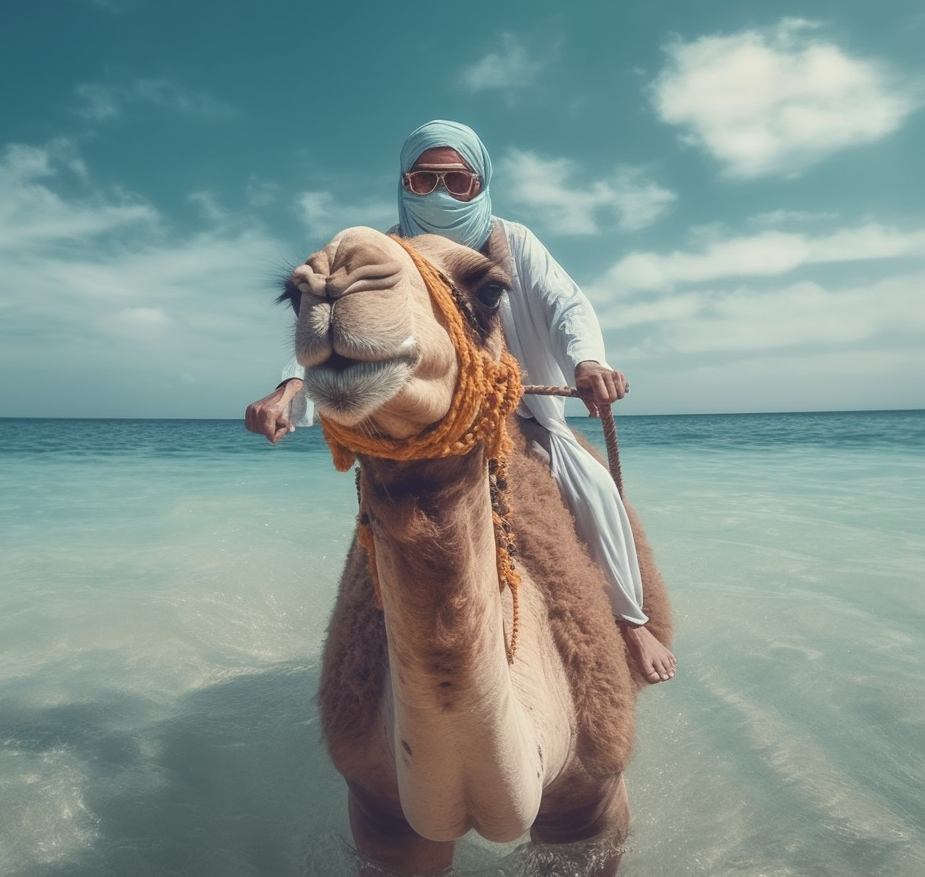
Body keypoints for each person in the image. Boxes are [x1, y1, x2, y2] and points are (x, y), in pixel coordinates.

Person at [245, 120, 677, 683]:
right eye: (424, 181)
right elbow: (333, 333)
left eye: (458, 181)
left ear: (482, 185)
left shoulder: (514, 242)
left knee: (594, 493)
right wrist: (289, 390)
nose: (441, 194)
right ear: (404, 182)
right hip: (431, 414)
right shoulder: (388, 254)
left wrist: (586, 360)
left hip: (524, 409)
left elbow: (566, 304)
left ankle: (628, 619)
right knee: (385, 523)